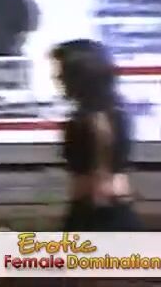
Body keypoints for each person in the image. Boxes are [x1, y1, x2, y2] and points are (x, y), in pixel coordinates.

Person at [51, 39, 142, 231]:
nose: (57, 77)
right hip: (105, 209)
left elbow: (102, 180)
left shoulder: (92, 119)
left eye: (62, 72)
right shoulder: (114, 113)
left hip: (97, 212)